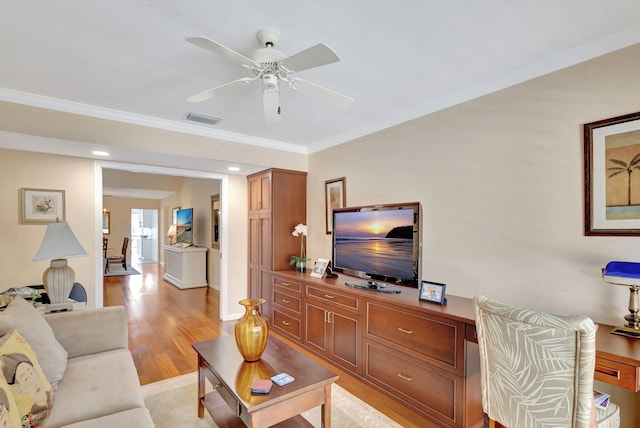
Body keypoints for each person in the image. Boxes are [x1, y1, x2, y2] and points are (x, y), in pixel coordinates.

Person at [1, 353, 52, 427]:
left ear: (36, 372)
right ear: (19, 389)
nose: (33, 382)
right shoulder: (28, 419)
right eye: (25, 379)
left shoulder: (49, 397)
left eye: (31, 373)